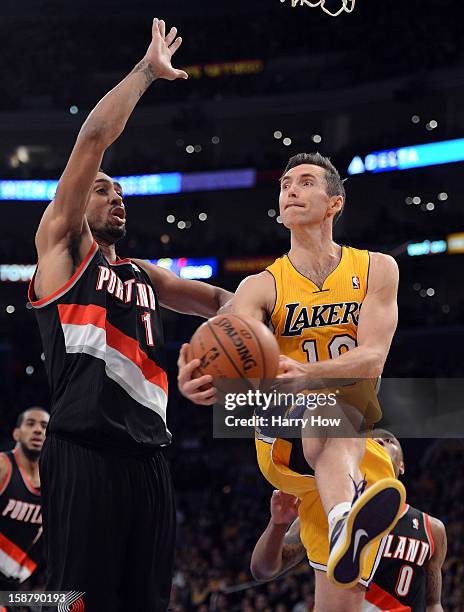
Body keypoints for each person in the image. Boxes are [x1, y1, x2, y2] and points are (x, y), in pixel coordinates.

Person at [28, 18, 231, 612]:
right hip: (83, 451)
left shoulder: (146, 275)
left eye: (120, 193)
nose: (115, 196)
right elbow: (91, 141)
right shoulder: (63, 251)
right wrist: (146, 72)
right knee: (76, 600)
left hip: (149, 458)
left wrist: (291, 302)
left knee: (145, 603)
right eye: (103, 189)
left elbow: (222, 302)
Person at [178, 153, 406, 609]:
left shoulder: (377, 268)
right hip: (281, 433)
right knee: (332, 411)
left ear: (335, 202)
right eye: (285, 185)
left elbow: (373, 359)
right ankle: (346, 517)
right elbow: (234, 350)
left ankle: (344, 521)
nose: (291, 191)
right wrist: (203, 377)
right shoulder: (260, 286)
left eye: (305, 182)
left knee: (340, 599)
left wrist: (307, 369)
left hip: (353, 447)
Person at [250, 430, 447, 612]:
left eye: (388, 441)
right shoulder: (327, 507)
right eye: (371, 439)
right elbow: (262, 570)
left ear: (402, 465)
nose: (378, 441)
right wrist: (278, 524)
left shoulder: (432, 529)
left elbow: (433, 603)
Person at [0, 408, 49, 606]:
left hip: (15, 587)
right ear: (16, 433)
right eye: (30, 424)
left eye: (44, 426)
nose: (38, 430)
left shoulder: (54, 483)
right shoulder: (3, 466)